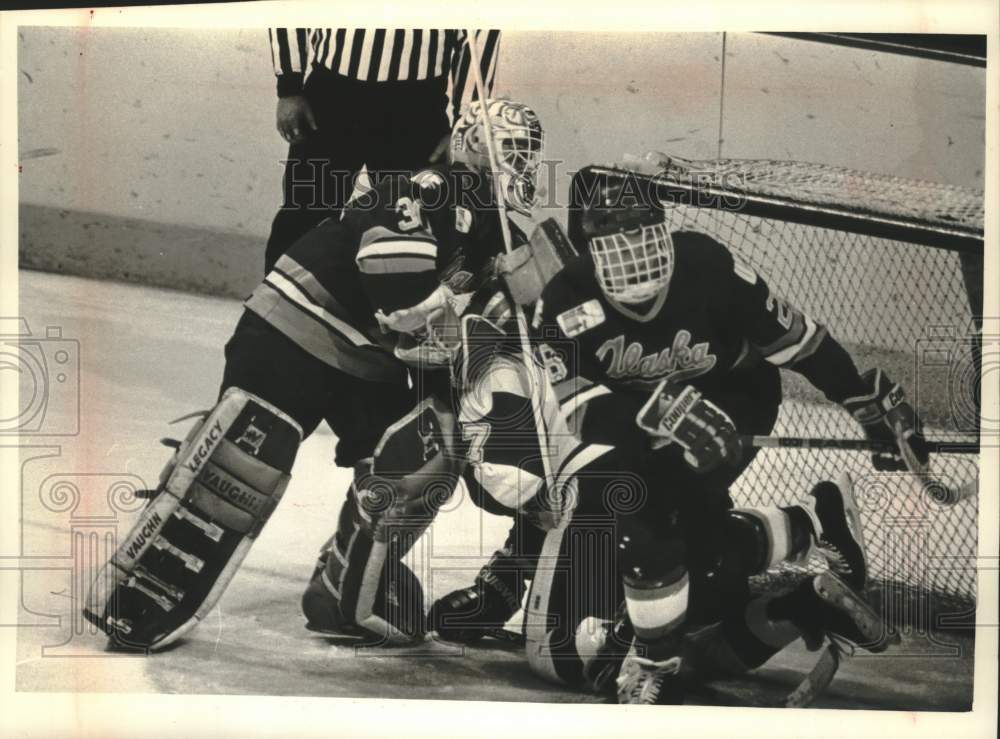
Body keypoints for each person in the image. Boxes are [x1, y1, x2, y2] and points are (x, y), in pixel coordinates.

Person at [429, 165, 924, 703]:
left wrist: (862, 398)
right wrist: (661, 409)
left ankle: (651, 656)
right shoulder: (561, 309)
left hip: (733, 398)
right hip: (628, 442)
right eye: (617, 240)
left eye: (645, 232)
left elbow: (797, 342)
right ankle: (804, 536)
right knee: (681, 560)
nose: (636, 255)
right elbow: (575, 420)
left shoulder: (707, 266)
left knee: (643, 527)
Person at [82, 98, 543, 650]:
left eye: (527, 153)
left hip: (369, 365)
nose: (518, 163)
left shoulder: (497, 231)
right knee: (240, 463)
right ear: (470, 142)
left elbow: (491, 321)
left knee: (426, 455)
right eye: (510, 148)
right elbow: (394, 285)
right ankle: (139, 588)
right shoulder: (424, 187)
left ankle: (343, 586)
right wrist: (447, 317)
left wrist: (512, 301)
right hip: (292, 333)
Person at [265, 28, 501, 272]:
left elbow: (479, 28)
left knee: (415, 225)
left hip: (416, 108)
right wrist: (289, 86)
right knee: (304, 214)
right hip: (332, 95)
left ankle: (404, 309)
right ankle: (271, 307)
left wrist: (463, 125)